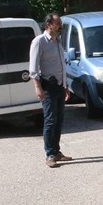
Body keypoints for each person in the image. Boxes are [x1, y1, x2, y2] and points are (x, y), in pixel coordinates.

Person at [30, 13, 72, 167]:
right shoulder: (39, 42)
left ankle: (56, 151)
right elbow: (33, 69)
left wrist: (65, 85)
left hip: (59, 86)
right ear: (48, 24)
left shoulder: (57, 41)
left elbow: (62, 65)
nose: (60, 25)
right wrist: (38, 87)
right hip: (48, 86)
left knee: (59, 120)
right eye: (58, 23)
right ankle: (49, 155)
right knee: (50, 121)